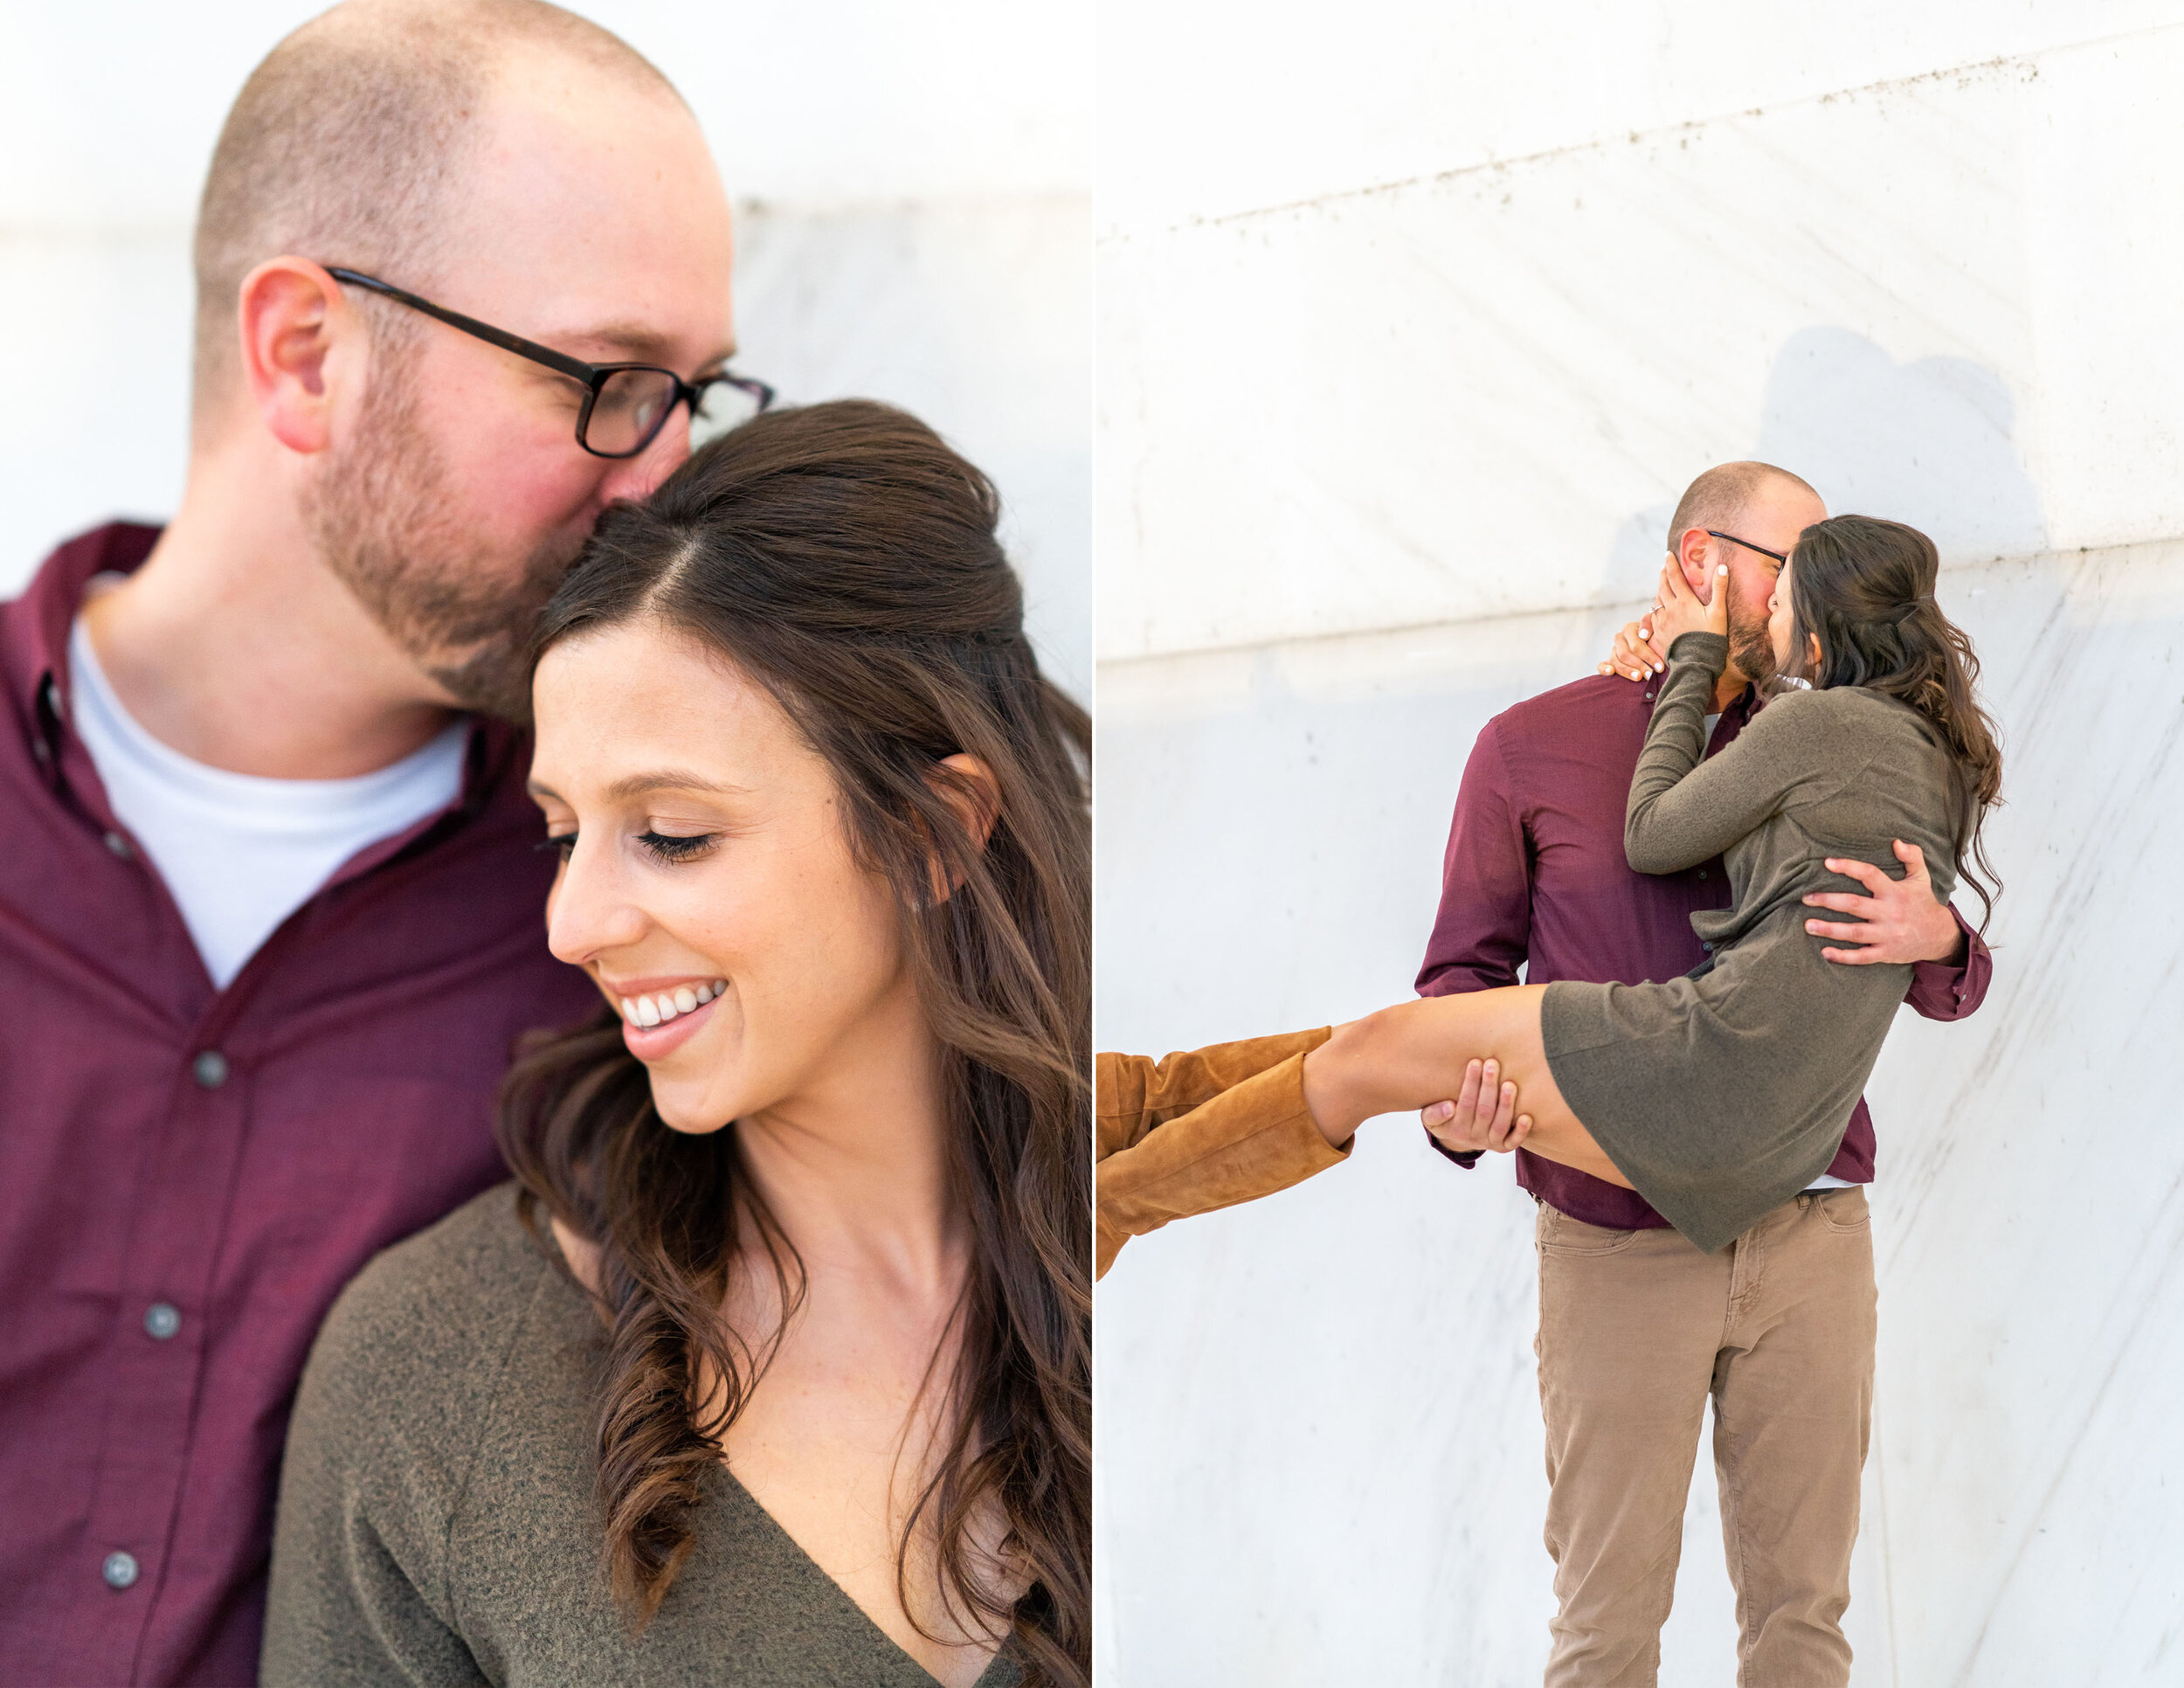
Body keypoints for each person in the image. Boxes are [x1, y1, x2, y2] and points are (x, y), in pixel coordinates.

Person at [0, 5, 766, 1680]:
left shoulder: (659, 921)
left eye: (694, 397)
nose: (668, 481)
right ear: (305, 355)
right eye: (608, 384)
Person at [261, 403, 1090, 1688]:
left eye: (673, 833)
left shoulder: (1159, 1268)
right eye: (561, 832)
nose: (573, 923)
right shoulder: (443, 1378)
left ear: (935, 831)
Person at [1413, 465, 1994, 1686]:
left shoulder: (1839, 725)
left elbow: (1930, 971)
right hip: (1618, 1240)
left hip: (1812, 1235)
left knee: (1805, 1626)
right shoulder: (1528, 748)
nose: (1813, 587)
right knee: (1606, 1631)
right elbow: (1460, 978)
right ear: (1701, 564)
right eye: (1793, 559)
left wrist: (1944, 942)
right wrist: (1462, 1119)